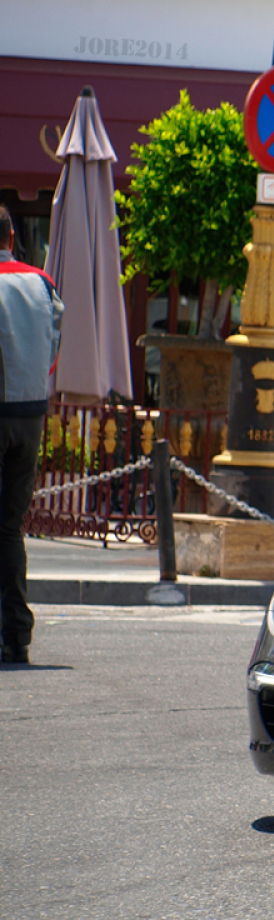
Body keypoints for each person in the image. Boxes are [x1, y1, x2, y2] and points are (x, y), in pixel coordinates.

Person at [0, 205, 63, 664]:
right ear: (12, 237)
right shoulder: (42, 282)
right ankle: (17, 633)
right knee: (9, 528)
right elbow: (54, 344)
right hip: (30, 413)